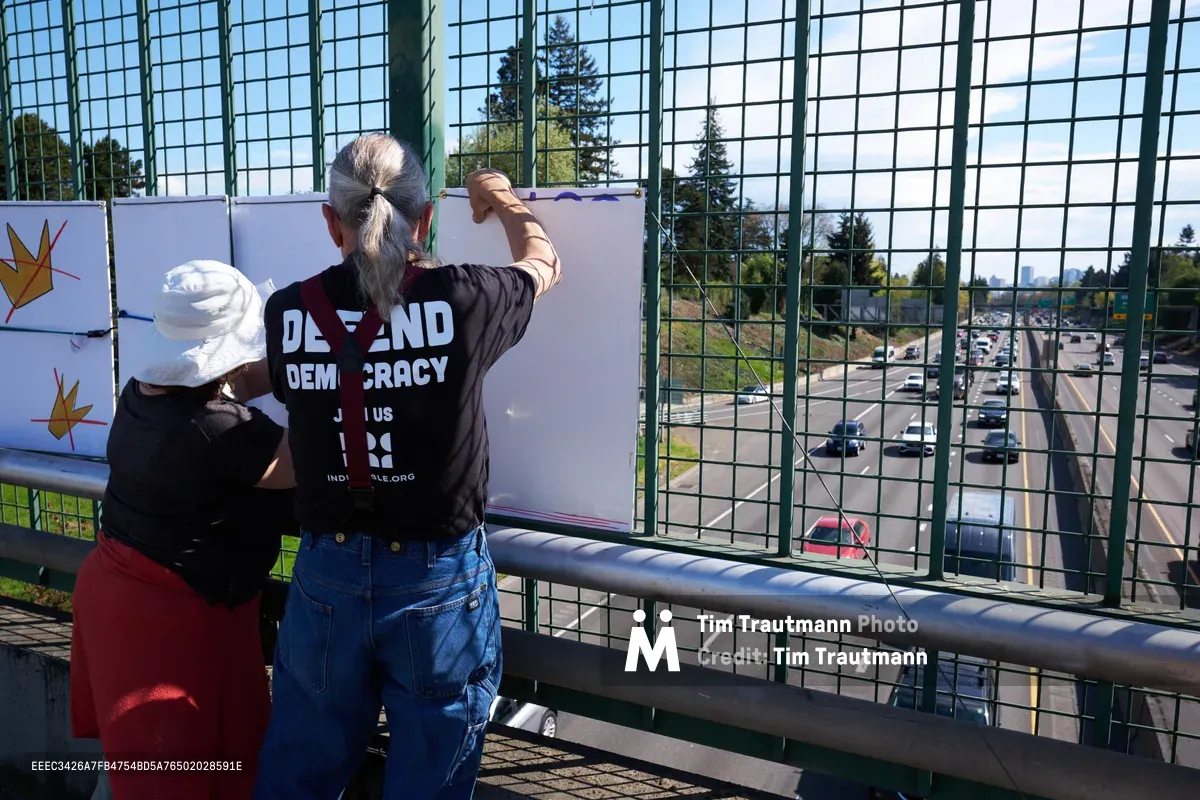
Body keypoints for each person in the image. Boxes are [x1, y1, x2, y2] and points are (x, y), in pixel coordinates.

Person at [254, 134, 560, 799]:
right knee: (431, 780)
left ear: (332, 224)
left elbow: (290, 384)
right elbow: (544, 262)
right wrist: (503, 199)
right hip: (438, 584)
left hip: (324, 576)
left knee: (298, 773)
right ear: (423, 220)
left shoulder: (288, 312)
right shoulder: (466, 298)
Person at [71, 260, 296, 800]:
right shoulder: (225, 429)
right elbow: (306, 463)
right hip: (173, 622)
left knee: (141, 769)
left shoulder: (141, 392)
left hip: (120, 600)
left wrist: (295, 361)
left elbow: (233, 378)